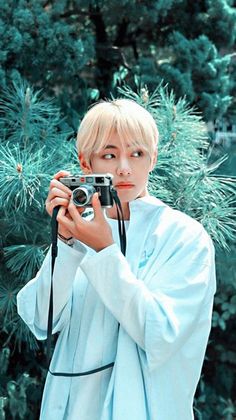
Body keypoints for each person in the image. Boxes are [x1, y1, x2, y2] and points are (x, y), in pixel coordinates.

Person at [17, 99, 216, 420]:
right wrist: (66, 245)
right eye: (109, 155)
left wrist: (105, 252)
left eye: (137, 153)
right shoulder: (80, 228)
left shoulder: (184, 237)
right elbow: (41, 319)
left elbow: (162, 333)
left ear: (152, 158)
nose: (124, 167)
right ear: (86, 162)